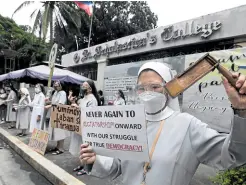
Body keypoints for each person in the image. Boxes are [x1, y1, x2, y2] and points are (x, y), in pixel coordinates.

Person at [80, 62, 246, 185]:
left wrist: (241, 110)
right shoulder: (129, 123)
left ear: (168, 88)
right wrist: (95, 160)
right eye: (141, 88)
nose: (147, 93)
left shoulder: (187, 125)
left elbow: (233, 155)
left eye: (155, 87)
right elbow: (117, 166)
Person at [69, 80, 101, 176]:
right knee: (81, 146)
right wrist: (73, 102)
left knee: (86, 147)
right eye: (82, 85)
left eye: (85, 85)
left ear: (90, 88)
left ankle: (87, 168)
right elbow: (79, 108)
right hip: (80, 125)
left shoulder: (93, 99)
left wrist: (78, 108)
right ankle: (82, 164)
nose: (83, 87)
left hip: (88, 126)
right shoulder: (83, 98)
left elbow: (90, 113)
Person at [45, 81, 69, 155]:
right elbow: (53, 102)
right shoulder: (55, 92)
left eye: (57, 85)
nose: (55, 86)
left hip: (60, 114)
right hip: (54, 113)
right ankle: (57, 146)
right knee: (56, 131)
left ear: (61, 85)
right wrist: (48, 101)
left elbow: (60, 104)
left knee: (60, 131)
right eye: (54, 85)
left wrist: (49, 105)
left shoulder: (63, 93)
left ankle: (61, 148)